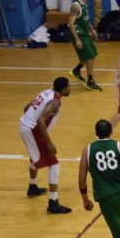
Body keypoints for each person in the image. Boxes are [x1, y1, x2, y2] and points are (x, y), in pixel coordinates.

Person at [19, 77, 72, 214]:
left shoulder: (46, 92)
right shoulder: (54, 102)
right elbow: (41, 120)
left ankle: (33, 186)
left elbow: (26, 108)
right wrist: (48, 142)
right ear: (64, 89)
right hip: (32, 130)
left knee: (35, 155)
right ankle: (53, 202)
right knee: (54, 164)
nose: (70, 89)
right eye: (69, 86)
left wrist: (28, 124)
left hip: (25, 126)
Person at [68, 0, 103, 92]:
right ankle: (90, 81)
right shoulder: (76, 5)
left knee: (92, 55)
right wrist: (77, 39)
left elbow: (86, 19)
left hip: (85, 34)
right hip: (79, 35)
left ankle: (76, 70)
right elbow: (70, 22)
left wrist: (92, 30)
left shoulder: (84, 4)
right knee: (90, 56)